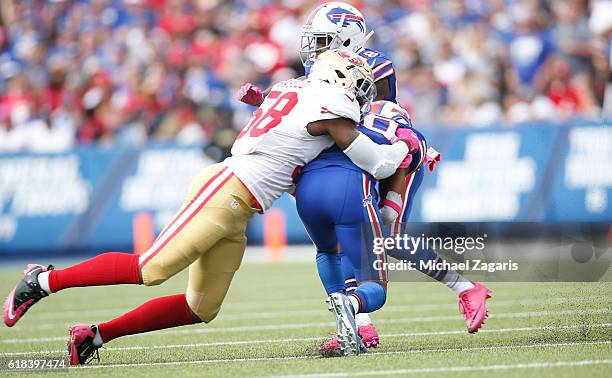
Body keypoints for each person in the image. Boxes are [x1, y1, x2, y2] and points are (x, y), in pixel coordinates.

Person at [3, 50, 416, 365]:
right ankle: (42, 280)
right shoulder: (331, 106)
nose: (362, 94)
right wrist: (408, 147)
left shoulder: (292, 88)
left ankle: (92, 336)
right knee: (151, 268)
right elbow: (377, 162)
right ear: (339, 79)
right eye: (359, 84)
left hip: (241, 203)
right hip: (228, 187)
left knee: (200, 307)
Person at [237, 2, 492, 355]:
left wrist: (397, 169)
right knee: (338, 243)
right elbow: (308, 110)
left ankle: (466, 289)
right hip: (349, 158)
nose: (314, 48)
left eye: (323, 40)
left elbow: (379, 118)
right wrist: (264, 100)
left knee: (390, 239)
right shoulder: (319, 70)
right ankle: (358, 326)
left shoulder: (372, 65)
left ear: (347, 38)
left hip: (390, 156)